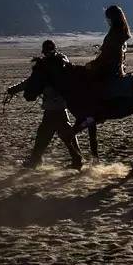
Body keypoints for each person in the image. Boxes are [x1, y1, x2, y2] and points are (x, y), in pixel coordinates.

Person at [6, 39, 82, 169]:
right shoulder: (63, 62)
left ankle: (36, 161)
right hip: (62, 105)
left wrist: (13, 89)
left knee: (44, 135)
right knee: (65, 134)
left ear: (44, 51)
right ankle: (77, 159)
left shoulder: (43, 66)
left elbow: (30, 83)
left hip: (51, 108)